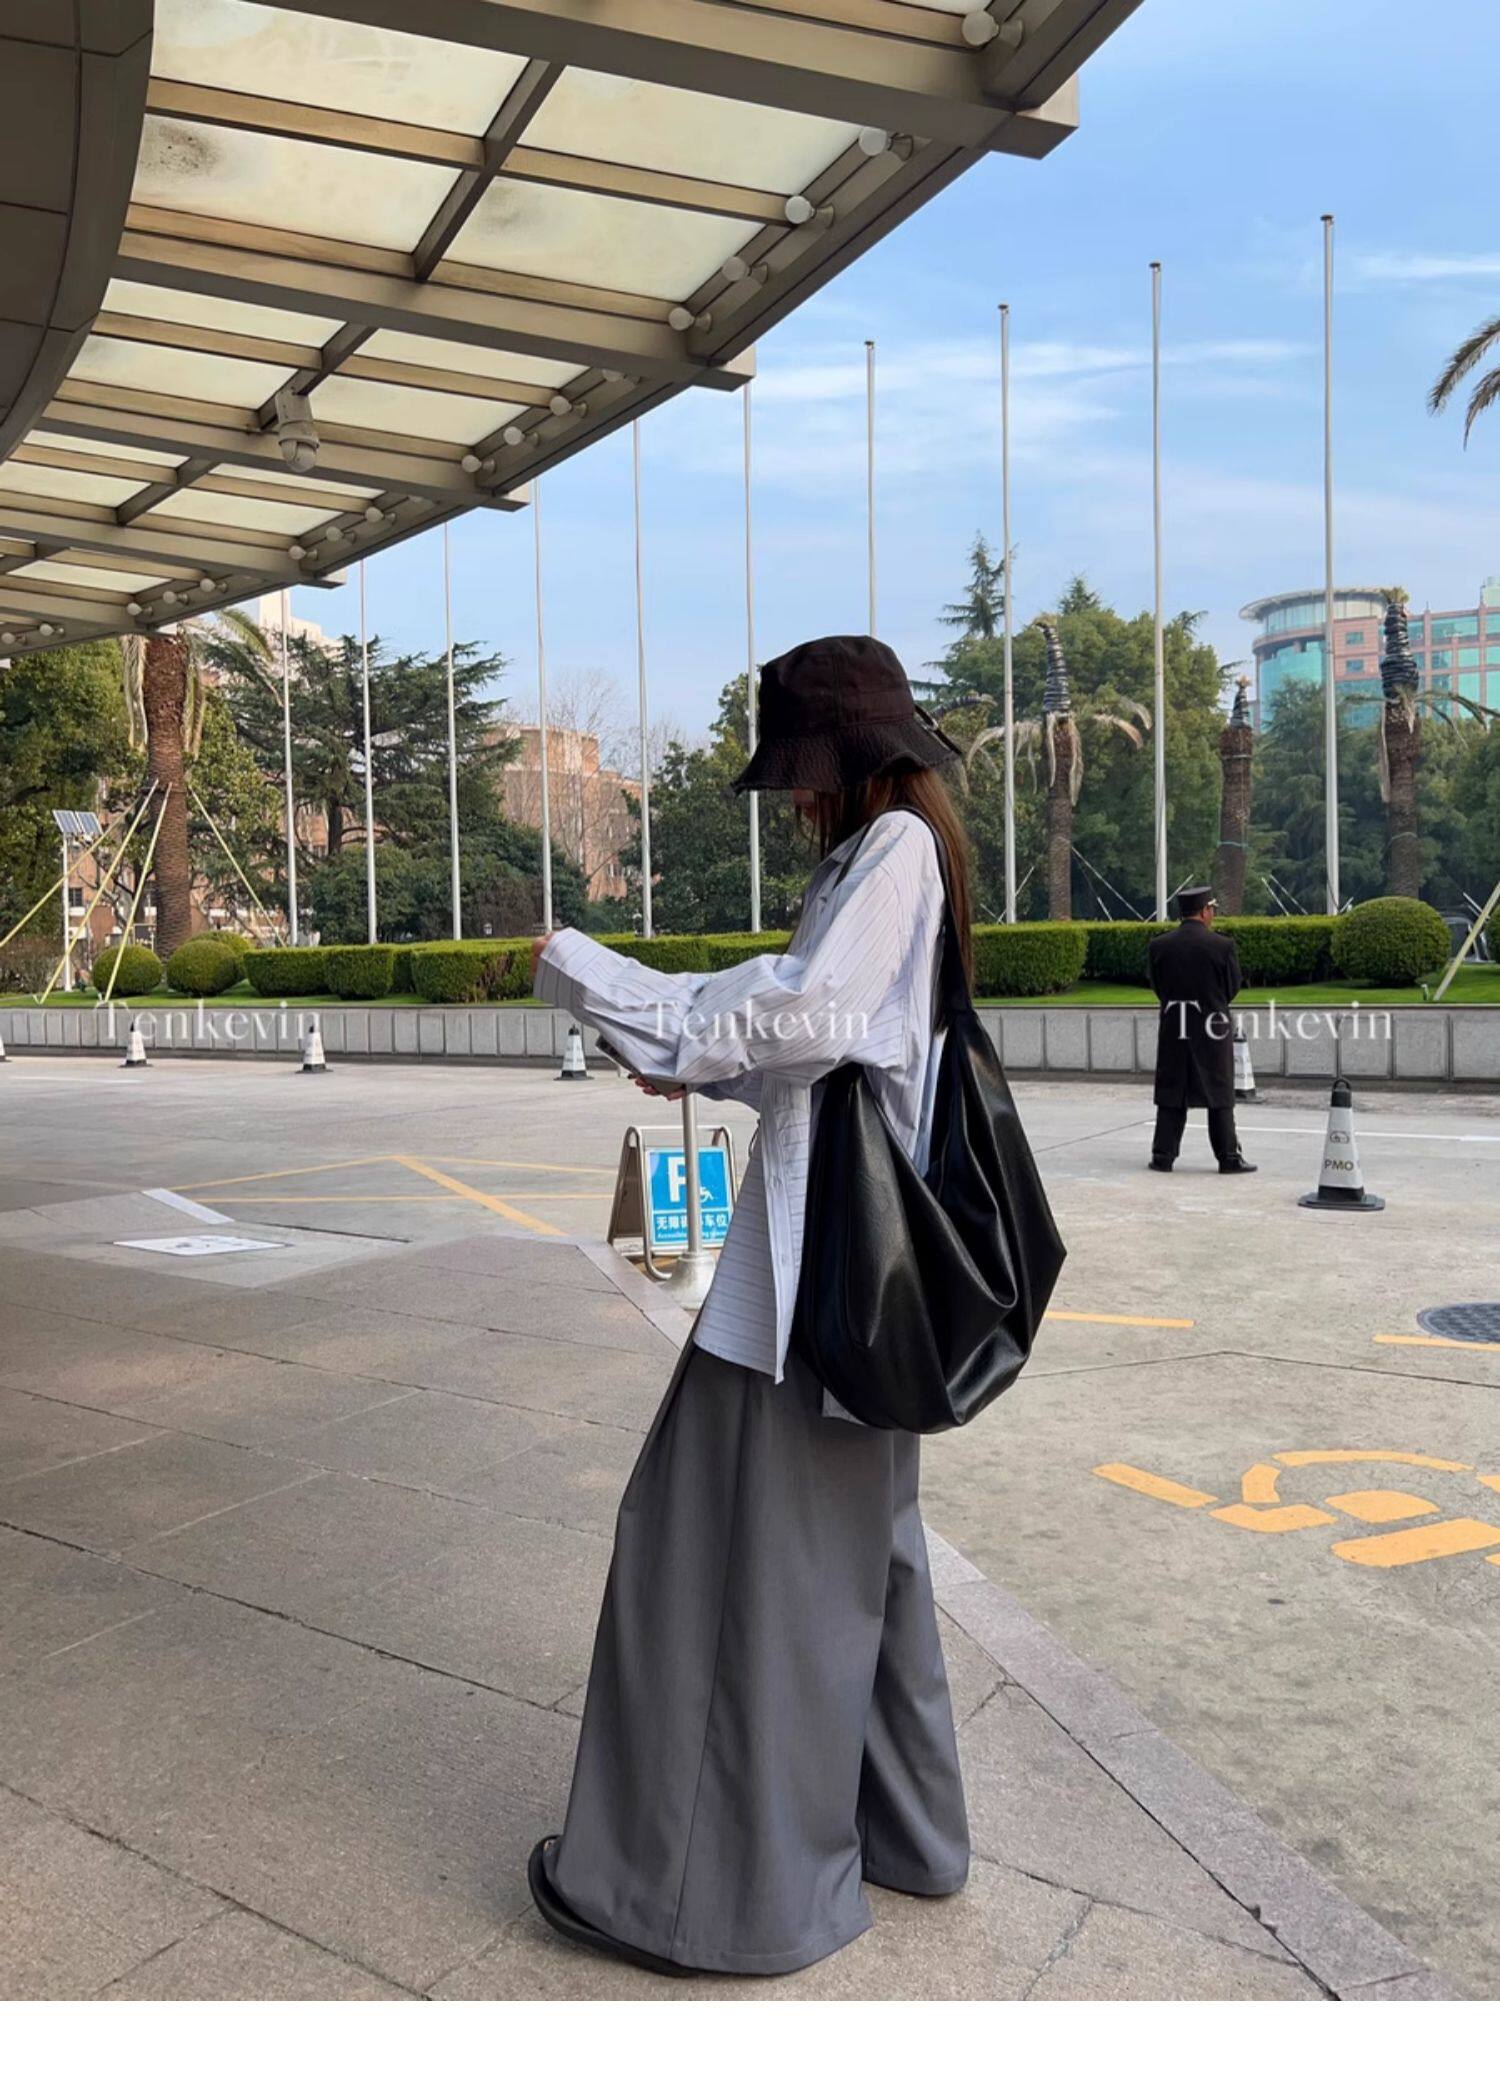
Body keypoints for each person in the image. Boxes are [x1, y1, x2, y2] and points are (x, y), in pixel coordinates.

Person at [524, 635, 972, 1978]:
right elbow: (823, 1048)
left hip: (808, 1296)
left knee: (711, 1565)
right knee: (861, 1562)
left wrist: (596, 977)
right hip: (852, 1293)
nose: (793, 799)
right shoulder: (886, 854)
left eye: (799, 774)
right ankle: (906, 1834)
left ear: (843, 763)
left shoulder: (892, 854)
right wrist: (690, 1059)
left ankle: (703, 1904)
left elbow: (810, 1015)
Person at [1146, 885, 1256, 1174]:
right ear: (1205, 910)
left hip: (1174, 1025)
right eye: (1212, 909)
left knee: (1172, 1090)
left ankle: (1163, 1156)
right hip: (1212, 1027)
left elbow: (1158, 987)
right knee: (1219, 1092)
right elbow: (1231, 988)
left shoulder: (1159, 946)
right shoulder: (1222, 946)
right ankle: (1228, 1157)